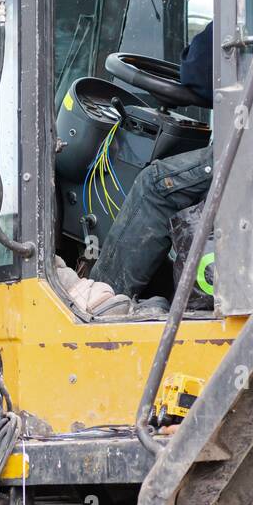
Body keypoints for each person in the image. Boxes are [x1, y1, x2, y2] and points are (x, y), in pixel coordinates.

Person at [90, 22, 216, 301]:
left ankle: (100, 299)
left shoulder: (250, 4)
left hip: (251, 145)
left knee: (155, 184)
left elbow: (197, 69)